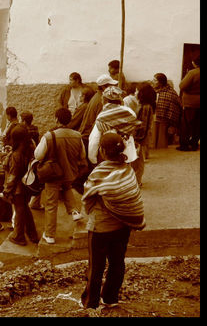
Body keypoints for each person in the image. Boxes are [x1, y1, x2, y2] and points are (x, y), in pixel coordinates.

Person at [80, 132, 145, 309]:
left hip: (100, 228)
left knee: (96, 267)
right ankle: (110, 297)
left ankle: (91, 303)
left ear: (101, 150)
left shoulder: (98, 173)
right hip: (123, 227)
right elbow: (132, 196)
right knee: (117, 262)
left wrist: (94, 212)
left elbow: (88, 199)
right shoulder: (128, 170)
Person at [34, 108, 87, 245]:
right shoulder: (77, 135)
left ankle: (50, 235)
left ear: (56, 119)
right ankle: (74, 211)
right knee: (67, 187)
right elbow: (82, 156)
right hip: (70, 172)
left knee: (51, 204)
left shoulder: (49, 136)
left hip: (53, 174)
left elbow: (38, 155)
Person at [1, 125, 39, 246]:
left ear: (15, 139)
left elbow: (13, 176)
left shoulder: (16, 155)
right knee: (25, 209)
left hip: (18, 189)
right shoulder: (30, 148)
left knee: (19, 210)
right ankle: (32, 234)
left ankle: (19, 236)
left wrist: (6, 190)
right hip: (27, 185)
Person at [88, 86, 141, 168]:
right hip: (128, 154)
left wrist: (92, 158)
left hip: (110, 157)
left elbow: (94, 140)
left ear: (104, 100)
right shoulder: (129, 112)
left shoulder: (102, 117)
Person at [78, 74, 119, 152]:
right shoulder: (101, 100)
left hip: (88, 136)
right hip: (90, 137)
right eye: (111, 86)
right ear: (104, 87)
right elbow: (99, 124)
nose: (113, 88)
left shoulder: (98, 96)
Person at [131, 83, 157, 187]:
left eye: (137, 91)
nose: (135, 93)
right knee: (137, 159)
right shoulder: (145, 106)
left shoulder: (145, 107)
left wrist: (137, 140)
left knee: (138, 160)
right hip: (140, 137)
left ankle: (137, 181)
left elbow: (143, 126)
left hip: (140, 137)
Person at [152, 73, 183, 149]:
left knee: (162, 139)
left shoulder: (171, 92)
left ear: (161, 82)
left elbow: (176, 106)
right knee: (153, 138)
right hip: (154, 117)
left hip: (165, 119)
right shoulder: (153, 91)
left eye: (155, 80)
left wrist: (172, 120)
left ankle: (162, 153)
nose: (153, 81)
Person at [178, 56, 200, 152]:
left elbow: (182, 85)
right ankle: (194, 144)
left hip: (190, 102)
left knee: (186, 124)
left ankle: (184, 145)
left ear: (195, 63)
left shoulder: (193, 73)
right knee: (198, 124)